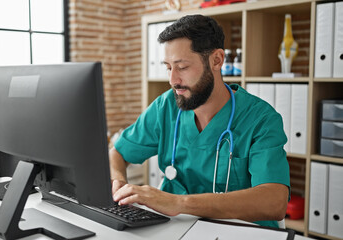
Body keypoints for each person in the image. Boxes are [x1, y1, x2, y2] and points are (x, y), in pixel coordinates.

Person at [109, 14, 290, 228]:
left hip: (240, 232)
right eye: (168, 67)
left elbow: (274, 202)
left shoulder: (260, 119)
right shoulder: (167, 106)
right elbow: (117, 152)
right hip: (176, 229)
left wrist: (179, 202)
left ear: (217, 60)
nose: (173, 80)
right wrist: (117, 182)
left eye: (182, 67)